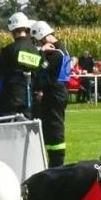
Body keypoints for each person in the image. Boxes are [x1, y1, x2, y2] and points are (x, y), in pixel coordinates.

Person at [0, 11, 42, 118]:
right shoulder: (35, 50)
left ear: (12, 30)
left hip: (10, 94)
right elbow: (38, 71)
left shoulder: (9, 50)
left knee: (4, 125)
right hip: (29, 94)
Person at [32, 20, 72, 167]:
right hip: (57, 92)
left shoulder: (55, 52)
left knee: (54, 129)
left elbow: (42, 72)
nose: (38, 43)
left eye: (39, 41)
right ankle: (54, 162)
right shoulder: (60, 48)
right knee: (50, 128)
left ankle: (56, 163)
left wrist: (41, 53)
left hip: (54, 94)